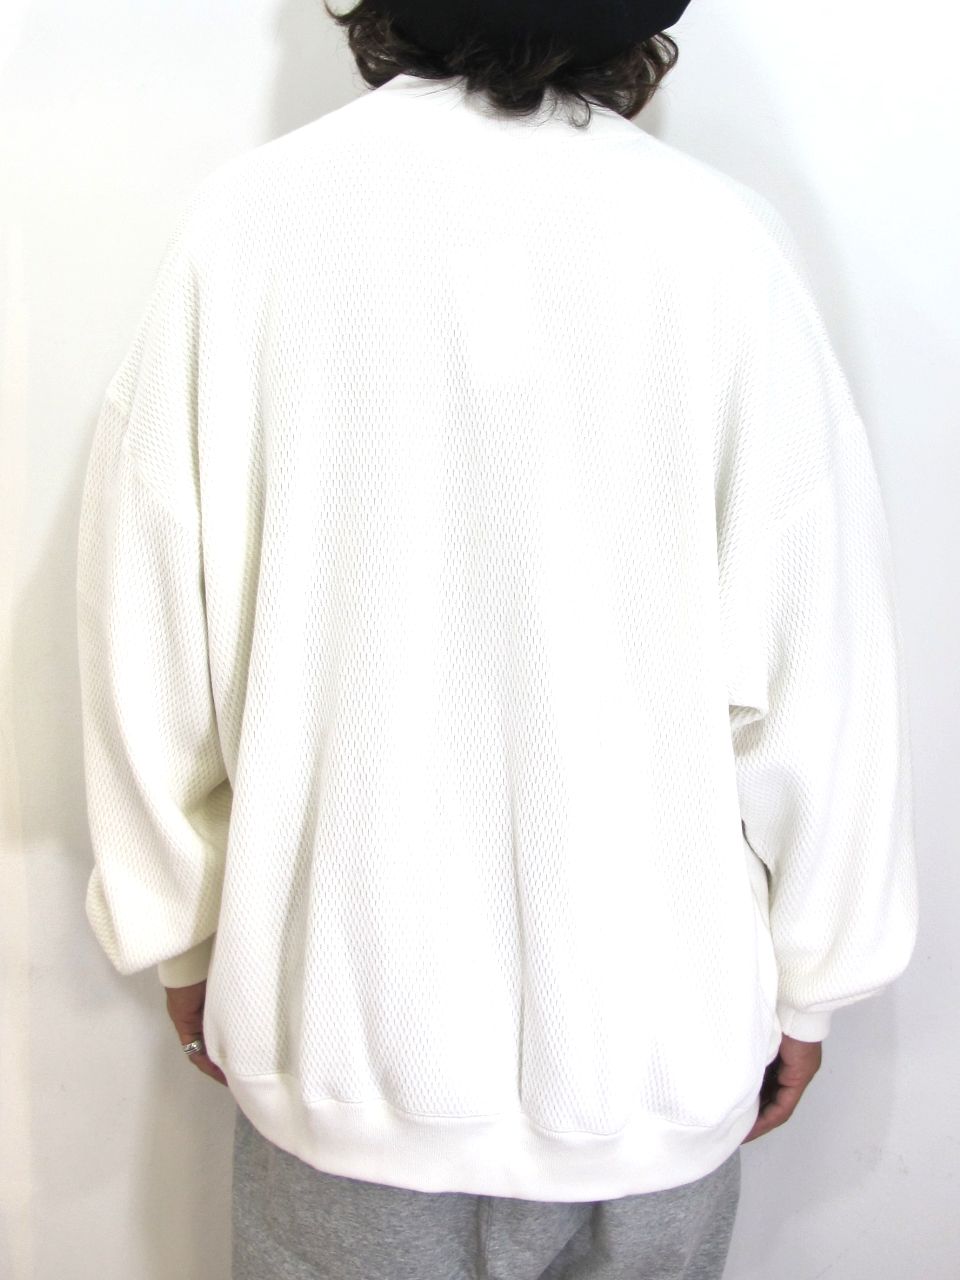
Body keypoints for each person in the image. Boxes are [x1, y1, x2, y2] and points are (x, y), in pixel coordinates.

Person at [75, 1, 919, 1276]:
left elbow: (147, 631)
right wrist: (814, 972)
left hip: (341, 1046)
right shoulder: (722, 246)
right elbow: (822, 665)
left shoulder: (247, 231)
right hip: (648, 1057)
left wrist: (177, 923)